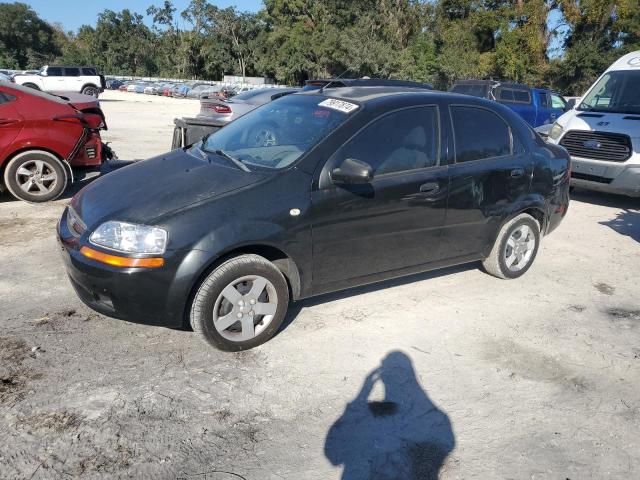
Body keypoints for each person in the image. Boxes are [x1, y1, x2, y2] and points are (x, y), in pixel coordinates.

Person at [325, 351, 455, 480]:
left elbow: (333, 455)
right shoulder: (439, 418)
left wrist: (362, 395)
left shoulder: (436, 418)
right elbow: (447, 445)